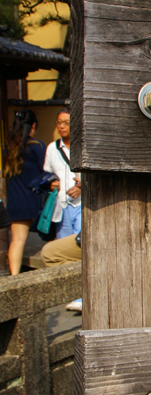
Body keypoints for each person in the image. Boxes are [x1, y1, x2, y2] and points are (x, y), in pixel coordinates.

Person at [3, 109, 54, 275]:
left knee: (17, 241)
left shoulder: (9, 149)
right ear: (33, 126)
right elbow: (45, 171)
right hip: (33, 200)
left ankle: (14, 277)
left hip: (15, 201)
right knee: (52, 236)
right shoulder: (37, 147)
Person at [43, 108, 81, 239]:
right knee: (63, 244)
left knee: (79, 246)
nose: (61, 126)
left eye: (66, 122)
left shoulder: (83, 146)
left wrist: (82, 188)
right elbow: (47, 174)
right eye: (58, 122)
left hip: (82, 204)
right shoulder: (52, 148)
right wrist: (51, 183)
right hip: (61, 205)